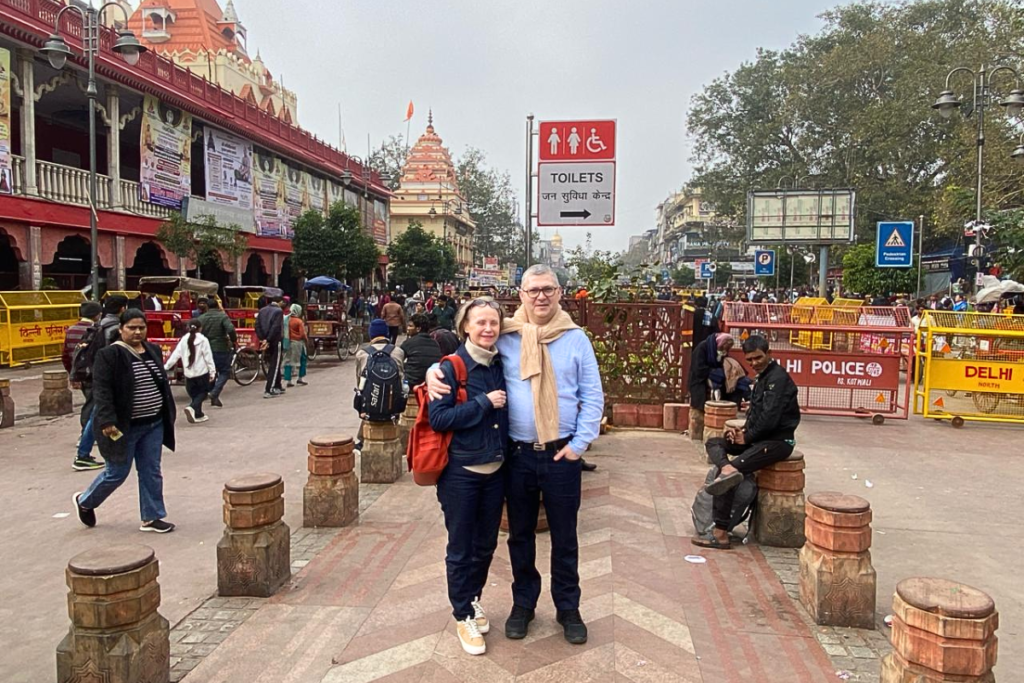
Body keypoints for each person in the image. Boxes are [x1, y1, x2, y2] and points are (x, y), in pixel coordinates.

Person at [427, 264, 604, 645]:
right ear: (520, 295)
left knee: (565, 536)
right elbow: (466, 354)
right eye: (533, 289)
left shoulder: (576, 339)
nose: (541, 296)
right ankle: (523, 604)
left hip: (561, 454)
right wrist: (431, 372)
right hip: (517, 455)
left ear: (560, 293)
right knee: (520, 536)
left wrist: (579, 445)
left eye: (548, 289)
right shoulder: (507, 336)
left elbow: (593, 396)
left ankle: (568, 607)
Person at [428, 298, 509, 655]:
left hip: (495, 470)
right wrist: (482, 403)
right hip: (461, 473)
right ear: (465, 327)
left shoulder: (500, 363)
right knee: (460, 548)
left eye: (494, 323)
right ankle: (462, 614)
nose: (488, 329)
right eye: (481, 323)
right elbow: (439, 419)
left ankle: (473, 599)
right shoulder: (451, 368)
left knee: (485, 545)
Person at [73, 309, 177, 533]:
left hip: (153, 424)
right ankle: (85, 501)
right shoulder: (109, 355)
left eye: (141, 327)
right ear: (121, 329)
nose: (137, 332)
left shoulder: (153, 350)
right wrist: (107, 420)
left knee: (151, 470)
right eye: (132, 327)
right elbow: (102, 391)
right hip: (122, 426)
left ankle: (152, 516)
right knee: (116, 473)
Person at [691, 335, 800, 550]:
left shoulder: (777, 379)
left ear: (769, 354)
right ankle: (727, 466)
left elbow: (770, 419)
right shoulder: (762, 377)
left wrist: (748, 437)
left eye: (758, 358)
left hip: (778, 442)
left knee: (729, 478)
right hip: (758, 438)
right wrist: (741, 432)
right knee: (715, 442)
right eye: (750, 360)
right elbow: (757, 416)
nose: (754, 363)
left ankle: (720, 533)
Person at [63, 301, 104, 471]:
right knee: (92, 407)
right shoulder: (95, 331)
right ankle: (84, 440)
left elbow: (65, 354)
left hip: (79, 374)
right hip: (92, 374)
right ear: (96, 315)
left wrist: (72, 374)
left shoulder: (71, 330)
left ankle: (86, 438)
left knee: (90, 404)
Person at [164, 320, 216, 423]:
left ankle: (198, 414)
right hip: (201, 372)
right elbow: (208, 357)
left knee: (194, 394)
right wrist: (212, 371)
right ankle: (192, 407)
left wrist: (165, 367)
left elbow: (175, 355)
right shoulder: (203, 340)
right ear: (200, 328)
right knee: (203, 393)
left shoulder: (183, 339)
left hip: (188, 374)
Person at [688, 333, 749, 416]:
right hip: (700, 380)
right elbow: (699, 369)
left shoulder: (721, 352)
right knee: (699, 411)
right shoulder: (702, 348)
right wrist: (715, 373)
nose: (723, 351)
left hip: (715, 378)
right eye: (722, 348)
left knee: (736, 383)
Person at [196, 297, 236, 408]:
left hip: (205, 349)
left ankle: (213, 397)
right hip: (220, 348)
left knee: (210, 373)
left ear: (207, 306)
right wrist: (233, 340)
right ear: (218, 306)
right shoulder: (223, 316)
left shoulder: (201, 318)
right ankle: (214, 393)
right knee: (224, 372)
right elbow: (231, 329)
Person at [401, 313, 443, 388]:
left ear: (418, 329)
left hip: (411, 382)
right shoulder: (435, 343)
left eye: (410, 326)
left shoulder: (408, 343)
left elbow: (398, 359)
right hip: (431, 382)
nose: (407, 328)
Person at [255, 300, 285, 399]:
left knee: (273, 363)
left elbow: (257, 326)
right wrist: (268, 339)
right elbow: (275, 327)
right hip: (275, 340)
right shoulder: (278, 311)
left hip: (265, 340)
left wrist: (263, 339)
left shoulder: (262, 311)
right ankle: (269, 389)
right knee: (275, 364)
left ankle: (278, 385)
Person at [284, 304, 308, 387]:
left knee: (288, 361)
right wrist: (306, 340)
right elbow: (302, 334)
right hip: (298, 343)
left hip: (287, 342)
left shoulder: (286, 319)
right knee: (302, 360)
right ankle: (300, 378)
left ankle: (288, 381)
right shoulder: (299, 321)